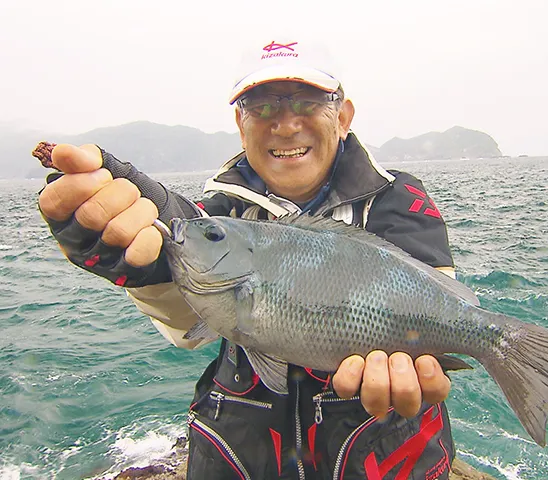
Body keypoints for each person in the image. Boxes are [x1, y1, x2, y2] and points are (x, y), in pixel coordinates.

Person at [38, 37, 457, 479]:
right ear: (241, 124)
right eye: (262, 107)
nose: (286, 125)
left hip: (380, 450)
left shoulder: (399, 199)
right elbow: (192, 322)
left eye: (308, 103)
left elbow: (435, 303)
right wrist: (141, 263)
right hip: (242, 452)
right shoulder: (221, 211)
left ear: (344, 117)